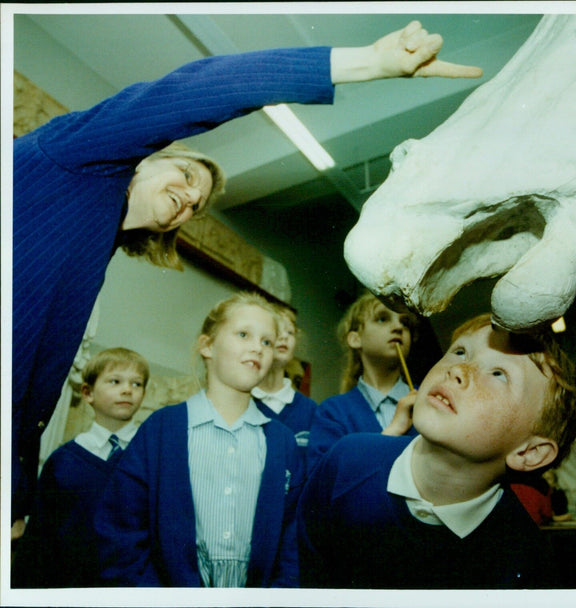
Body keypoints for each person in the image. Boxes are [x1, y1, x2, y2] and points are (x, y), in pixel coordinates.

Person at [11, 21, 483, 536]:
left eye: (196, 206)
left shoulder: (92, 247)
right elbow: (190, 92)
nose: (189, 201)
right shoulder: (76, 157)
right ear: (145, 158)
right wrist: (368, 63)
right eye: (187, 177)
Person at [297, 313, 576, 589]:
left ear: (529, 452)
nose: (459, 370)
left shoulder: (526, 560)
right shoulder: (347, 459)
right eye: (460, 351)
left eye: (499, 374)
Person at [94, 292, 301, 587]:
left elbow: (291, 543)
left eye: (266, 341)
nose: (257, 348)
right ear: (207, 346)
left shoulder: (283, 442)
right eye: (244, 334)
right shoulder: (161, 430)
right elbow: (120, 532)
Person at [12, 348, 149, 588]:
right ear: (87, 393)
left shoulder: (151, 457)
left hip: (129, 585)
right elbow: (40, 538)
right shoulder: (63, 461)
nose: (128, 390)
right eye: (115, 381)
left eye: (137, 384)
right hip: (66, 582)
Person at [306, 292, 419, 472]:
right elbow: (322, 482)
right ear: (355, 339)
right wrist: (393, 431)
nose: (398, 327)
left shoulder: (430, 400)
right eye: (382, 319)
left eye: (405, 323)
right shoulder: (332, 413)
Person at [251, 306, 317, 471]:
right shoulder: (242, 403)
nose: (284, 337)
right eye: (277, 330)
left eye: (290, 332)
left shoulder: (311, 410)